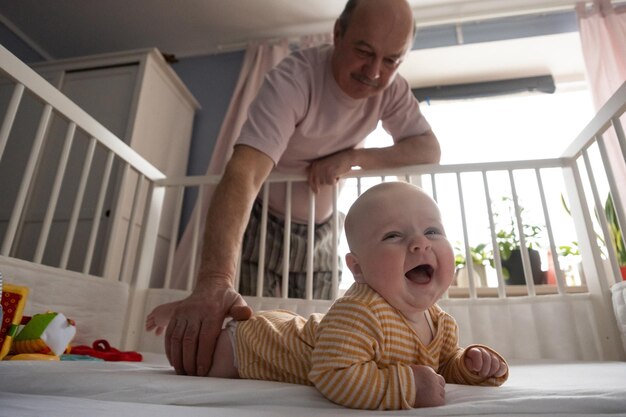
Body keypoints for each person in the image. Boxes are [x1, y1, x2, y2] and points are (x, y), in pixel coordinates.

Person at [155, 0, 441, 376]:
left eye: (391, 61)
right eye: (364, 51)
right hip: (265, 219)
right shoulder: (295, 78)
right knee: (246, 325)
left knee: (318, 327)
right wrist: (213, 282)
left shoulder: (391, 90)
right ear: (337, 33)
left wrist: (351, 158)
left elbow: (427, 149)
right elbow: (243, 171)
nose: (374, 72)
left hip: (322, 228)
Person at [147, 182, 509, 410]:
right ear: (358, 268)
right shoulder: (361, 312)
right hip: (251, 346)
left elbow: (441, 369)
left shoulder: (442, 324)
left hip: (300, 331)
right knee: (198, 361)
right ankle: (186, 312)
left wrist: (471, 365)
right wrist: (407, 388)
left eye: (432, 231)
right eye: (393, 236)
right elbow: (334, 374)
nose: (419, 243)